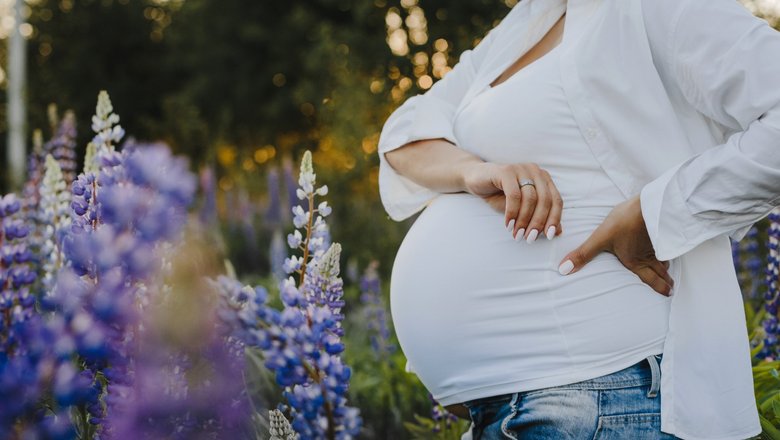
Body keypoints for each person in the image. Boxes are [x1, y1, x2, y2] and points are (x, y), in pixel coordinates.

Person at [376, 0, 780, 438]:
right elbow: (406, 133)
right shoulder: (532, 19)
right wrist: (473, 169)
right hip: (518, 407)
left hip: (604, 394)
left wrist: (656, 213)